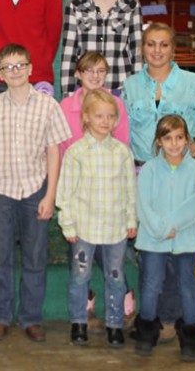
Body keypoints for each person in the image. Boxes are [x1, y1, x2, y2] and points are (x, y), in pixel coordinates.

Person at [122, 22, 195, 342]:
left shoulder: (193, 83)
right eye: (150, 44)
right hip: (143, 175)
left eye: (163, 45)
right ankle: (150, 317)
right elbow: (123, 131)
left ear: (174, 49)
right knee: (149, 252)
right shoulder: (131, 86)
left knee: (179, 256)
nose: (156, 51)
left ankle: (173, 318)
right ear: (142, 48)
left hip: (180, 176)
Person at [0, 43, 71, 343]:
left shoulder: (48, 106)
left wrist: (50, 195)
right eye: (8, 67)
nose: (15, 71)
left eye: (20, 65)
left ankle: (31, 317)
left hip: (35, 189)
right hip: (1, 189)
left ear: (31, 69)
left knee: (35, 256)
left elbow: (54, 153)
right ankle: (0, 316)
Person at [59, 50, 133, 332]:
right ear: (78, 73)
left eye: (101, 70)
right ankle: (82, 314)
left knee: (113, 264)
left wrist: (130, 217)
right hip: (81, 200)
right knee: (79, 264)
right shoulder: (67, 107)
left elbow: (123, 143)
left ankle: (118, 311)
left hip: (111, 199)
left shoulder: (117, 105)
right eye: (88, 70)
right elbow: (62, 148)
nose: (95, 76)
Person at [133, 115, 195, 362]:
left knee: (187, 287)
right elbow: (142, 203)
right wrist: (160, 228)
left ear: (187, 139)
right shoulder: (149, 170)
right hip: (153, 239)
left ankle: (190, 338)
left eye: (179, 137)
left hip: (185, 239)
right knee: (151, 285)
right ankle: (145, 333)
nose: (174, 144)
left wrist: (172, 224)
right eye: (168, 138)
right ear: (159, 141)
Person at [61, 0, 143, 97]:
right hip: (85, 93)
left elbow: (136, 56)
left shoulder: (131, 5)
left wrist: (136, 96)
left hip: (120, 92)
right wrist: (69, 96)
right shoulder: (75, 5)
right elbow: (69, 56)